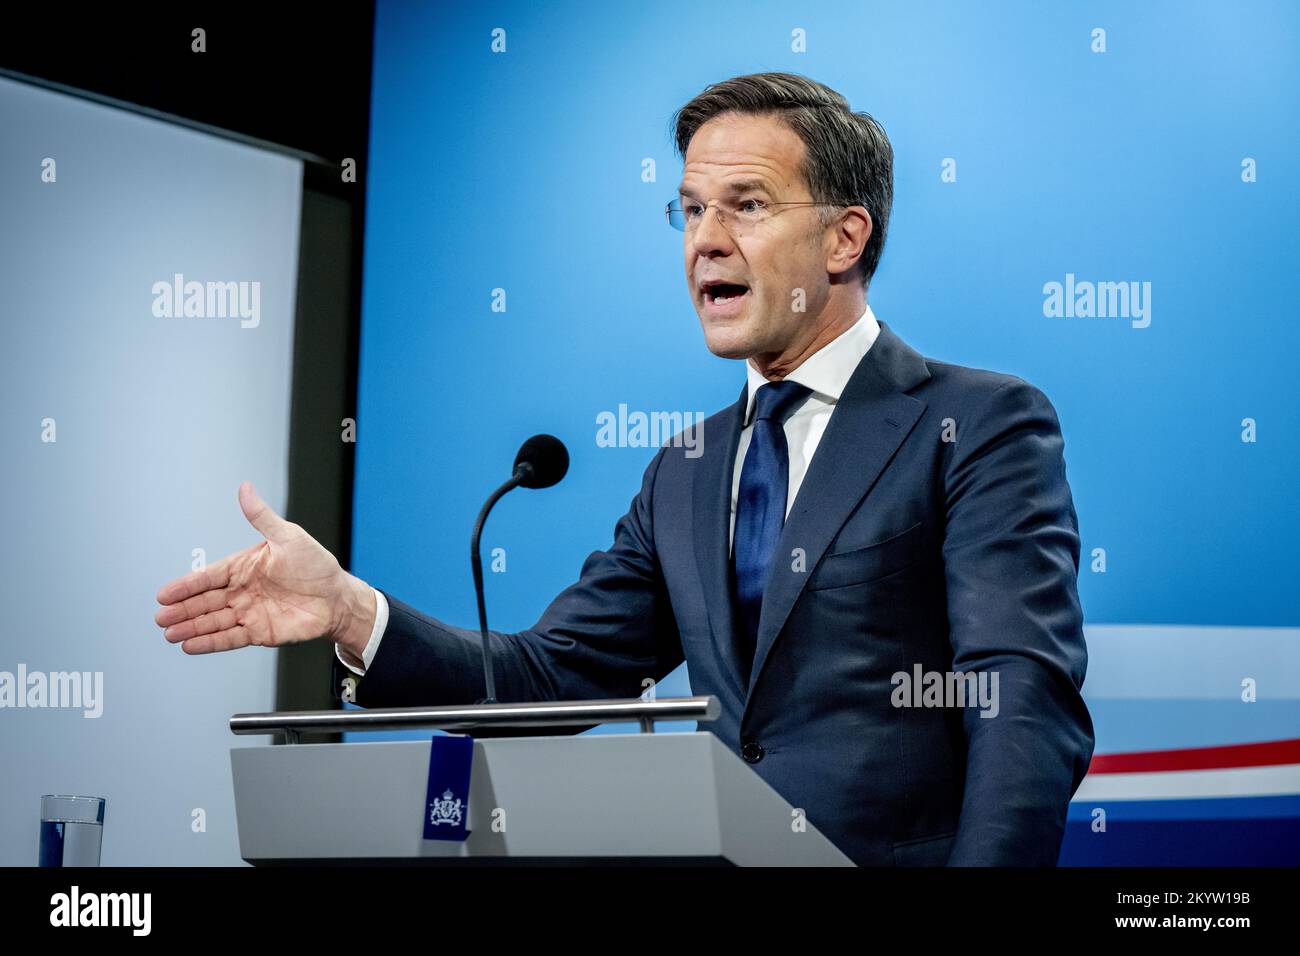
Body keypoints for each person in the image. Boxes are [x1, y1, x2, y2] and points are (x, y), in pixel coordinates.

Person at [155, 72, 1094, 866]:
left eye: (748, 206)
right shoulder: (685, 472)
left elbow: (1019, 699)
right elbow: (547, 677)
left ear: (844, 239)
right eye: (691, 209)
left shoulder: (975, 423)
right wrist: (352, 612)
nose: (705, 240)